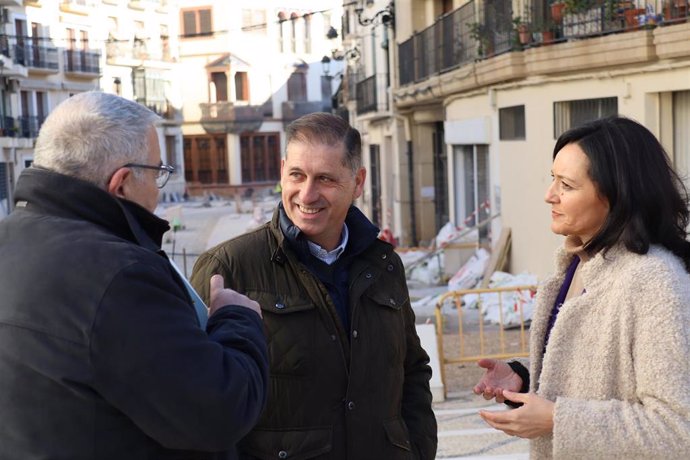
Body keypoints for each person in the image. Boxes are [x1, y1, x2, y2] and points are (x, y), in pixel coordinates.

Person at [0, 92, 269, 459]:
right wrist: (237, 319)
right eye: (158, 172)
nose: (159, 189)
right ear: (122, 182)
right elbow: (220, 411)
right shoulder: (119, 275)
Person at [191, 112, 438, 459]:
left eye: (325, 179)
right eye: (297, 175)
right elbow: (199, 399)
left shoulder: (384, 265)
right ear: (282, 173)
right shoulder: (228, 267)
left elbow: (411, 371)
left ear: (358, 182)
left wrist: (418, 452)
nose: (307, 194)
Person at [473, 116, 690, 458]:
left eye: (567, 185)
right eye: (552, 180)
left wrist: (558, 419)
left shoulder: (654, 282)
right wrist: (525, 379)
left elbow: (677, 430)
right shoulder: (575, 266)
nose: (549, 196)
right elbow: (602, 378)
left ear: (617, 196)